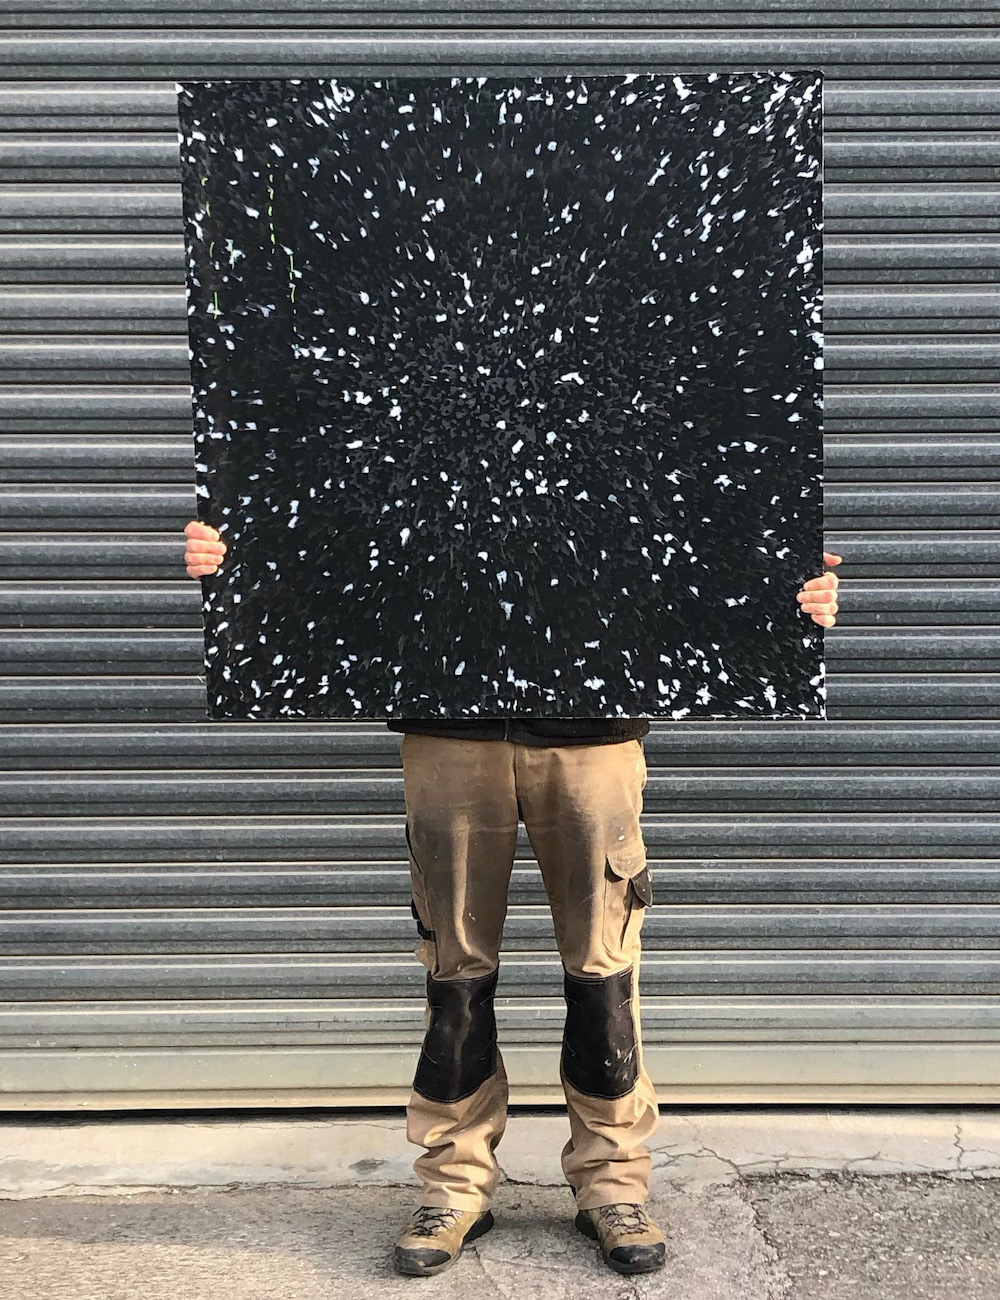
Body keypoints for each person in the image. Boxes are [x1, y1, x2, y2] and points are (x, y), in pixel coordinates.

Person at [183, 518, 841, 1277]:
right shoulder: (419, 451)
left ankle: (612, 1185)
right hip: (449, 725)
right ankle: (454, 1188)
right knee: (455, 976)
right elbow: (348, 542)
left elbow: (684, 532)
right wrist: (242, 564)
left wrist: (780, 592)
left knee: (603, 977)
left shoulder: (618, 449)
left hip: (594, 731)